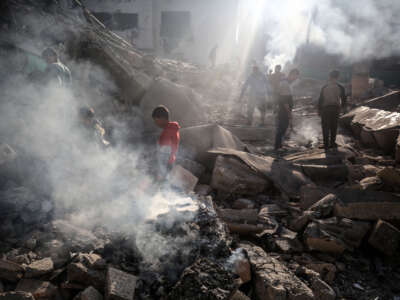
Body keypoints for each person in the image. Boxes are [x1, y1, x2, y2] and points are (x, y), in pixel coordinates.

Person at [318, 70, 346, 149]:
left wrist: (319, 110)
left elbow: (321, 99)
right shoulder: (340, 87)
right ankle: (332, 143)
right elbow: (343, 99)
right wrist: (343, 109)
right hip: (336, 109)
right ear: (338, 77)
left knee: (325, 127)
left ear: (329, 77)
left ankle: (326, 145)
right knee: (334, 127)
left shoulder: (325, 87)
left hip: (325, 109)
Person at [152, 105, 180, 181]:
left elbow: (164, 153)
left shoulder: (168, 132)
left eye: (156, 120)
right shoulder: (171, 128)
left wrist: (159, 172)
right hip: (169, 163)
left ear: (162, 118)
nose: (155, 123)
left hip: (166, 166)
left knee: (162, 186)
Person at [274, 68, 300, 151]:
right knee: (282, 128)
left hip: (283, 109)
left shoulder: (286, 83)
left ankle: (279, 145)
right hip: (283, 110)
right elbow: (285, 101)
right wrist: (289, 113)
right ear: (292, 74)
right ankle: (277, 147)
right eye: (295, 77)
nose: (295, 79)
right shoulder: (285, 84)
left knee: (283, 127)